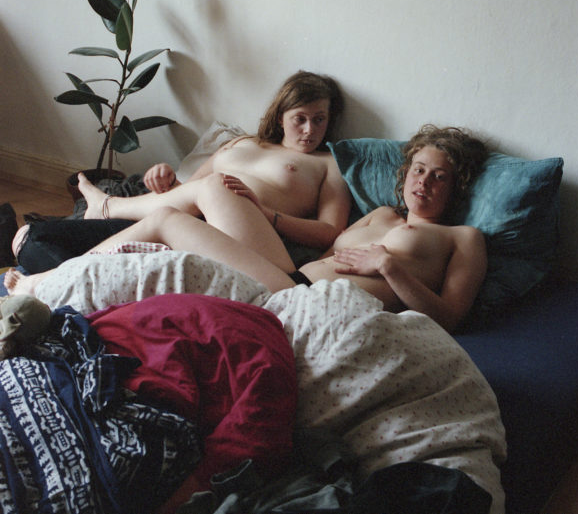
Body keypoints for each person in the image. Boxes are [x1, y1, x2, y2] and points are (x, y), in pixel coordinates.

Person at [5, 125, 489, 333]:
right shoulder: (380, 215)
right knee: (205, 195)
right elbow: (325, 245)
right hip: (288, 274)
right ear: (405, 174)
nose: (424, 182)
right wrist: (260, 211)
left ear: (456, 188)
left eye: (439, 177)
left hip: (300, 303)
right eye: (419, 170)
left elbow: (450, 318)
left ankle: (44, 283)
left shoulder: (463, 239)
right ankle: (86, 236)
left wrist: (387, 266)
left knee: (170, 224)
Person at [12, 71, 352, 274]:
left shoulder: (327, 162)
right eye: (300, 119)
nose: (309, 130)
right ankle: (65, 279)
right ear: (281, 117)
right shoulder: (243, 142)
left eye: (319, 119)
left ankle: (108, 206)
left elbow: (329, 232)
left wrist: (268, 214)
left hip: (244, 237)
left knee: (217, 185)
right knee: (29, 238)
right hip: (185, 220)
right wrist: (166, 179)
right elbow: (191, 187)